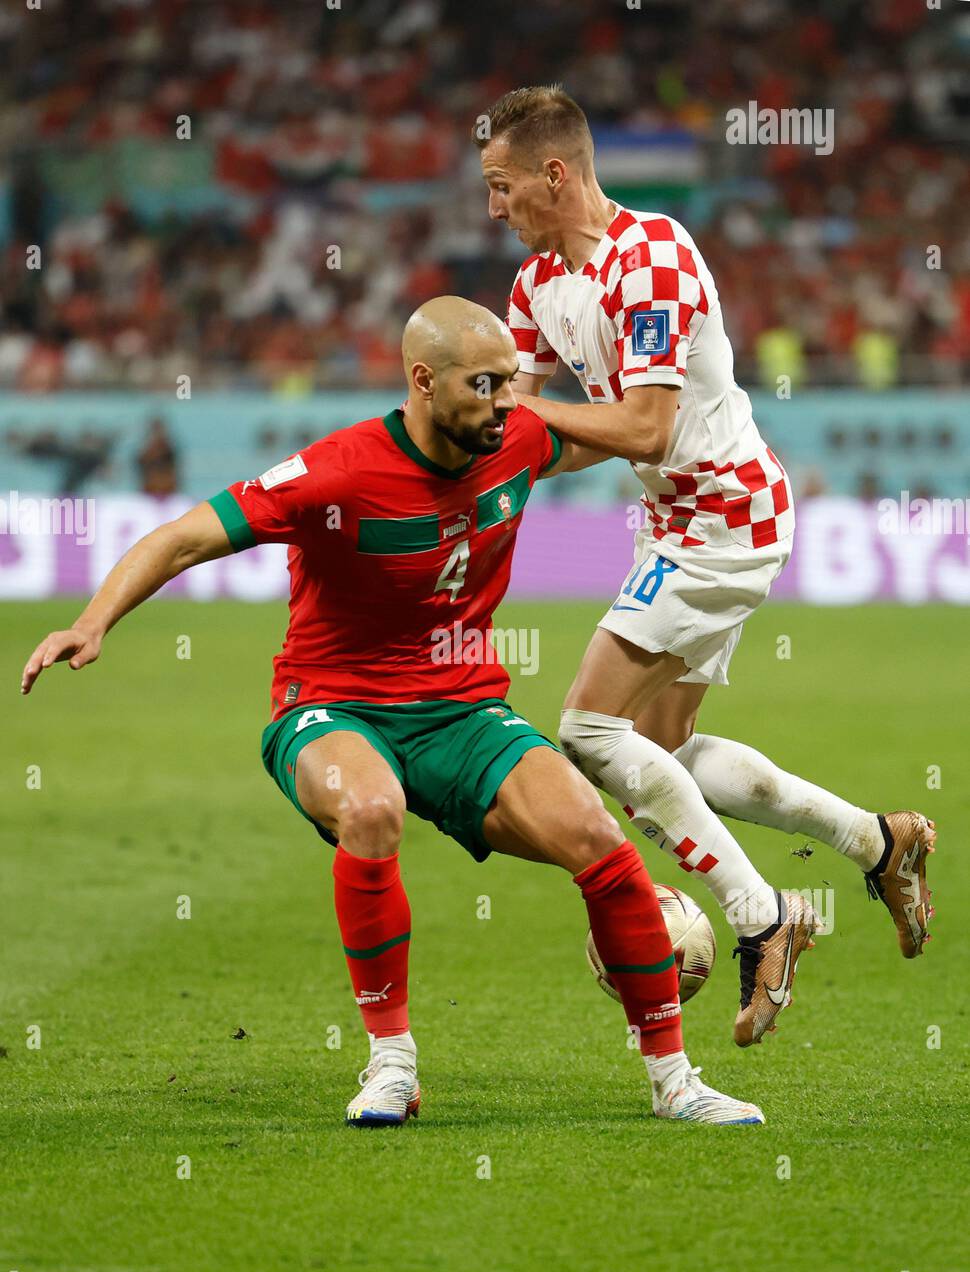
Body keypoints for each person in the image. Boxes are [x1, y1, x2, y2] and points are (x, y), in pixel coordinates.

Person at [21, 296, 765, 1128]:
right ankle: (392, 1066)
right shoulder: (334, 474)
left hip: (461, 713)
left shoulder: (512, 437)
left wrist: (711, 436)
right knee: (372, 811)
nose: (504, 400)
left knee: (596, 837)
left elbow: (630, 433)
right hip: (331, 707)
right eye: (484, 383)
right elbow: (182, 538)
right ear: (422, 380)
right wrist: (91, 622)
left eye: (511, 381)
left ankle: (673, 1083)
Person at [477, 86, 935, 1047]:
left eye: (503, 184)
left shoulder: (655, 259)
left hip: (726, 515)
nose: (494, 207)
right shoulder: (533, 289)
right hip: (669, 520)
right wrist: (476, 452)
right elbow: (529, 433)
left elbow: (642, 424)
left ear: (553, 174)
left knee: (588, 732)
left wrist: (523, 419)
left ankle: (764, 919)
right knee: (664, 748)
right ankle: (877, 841)